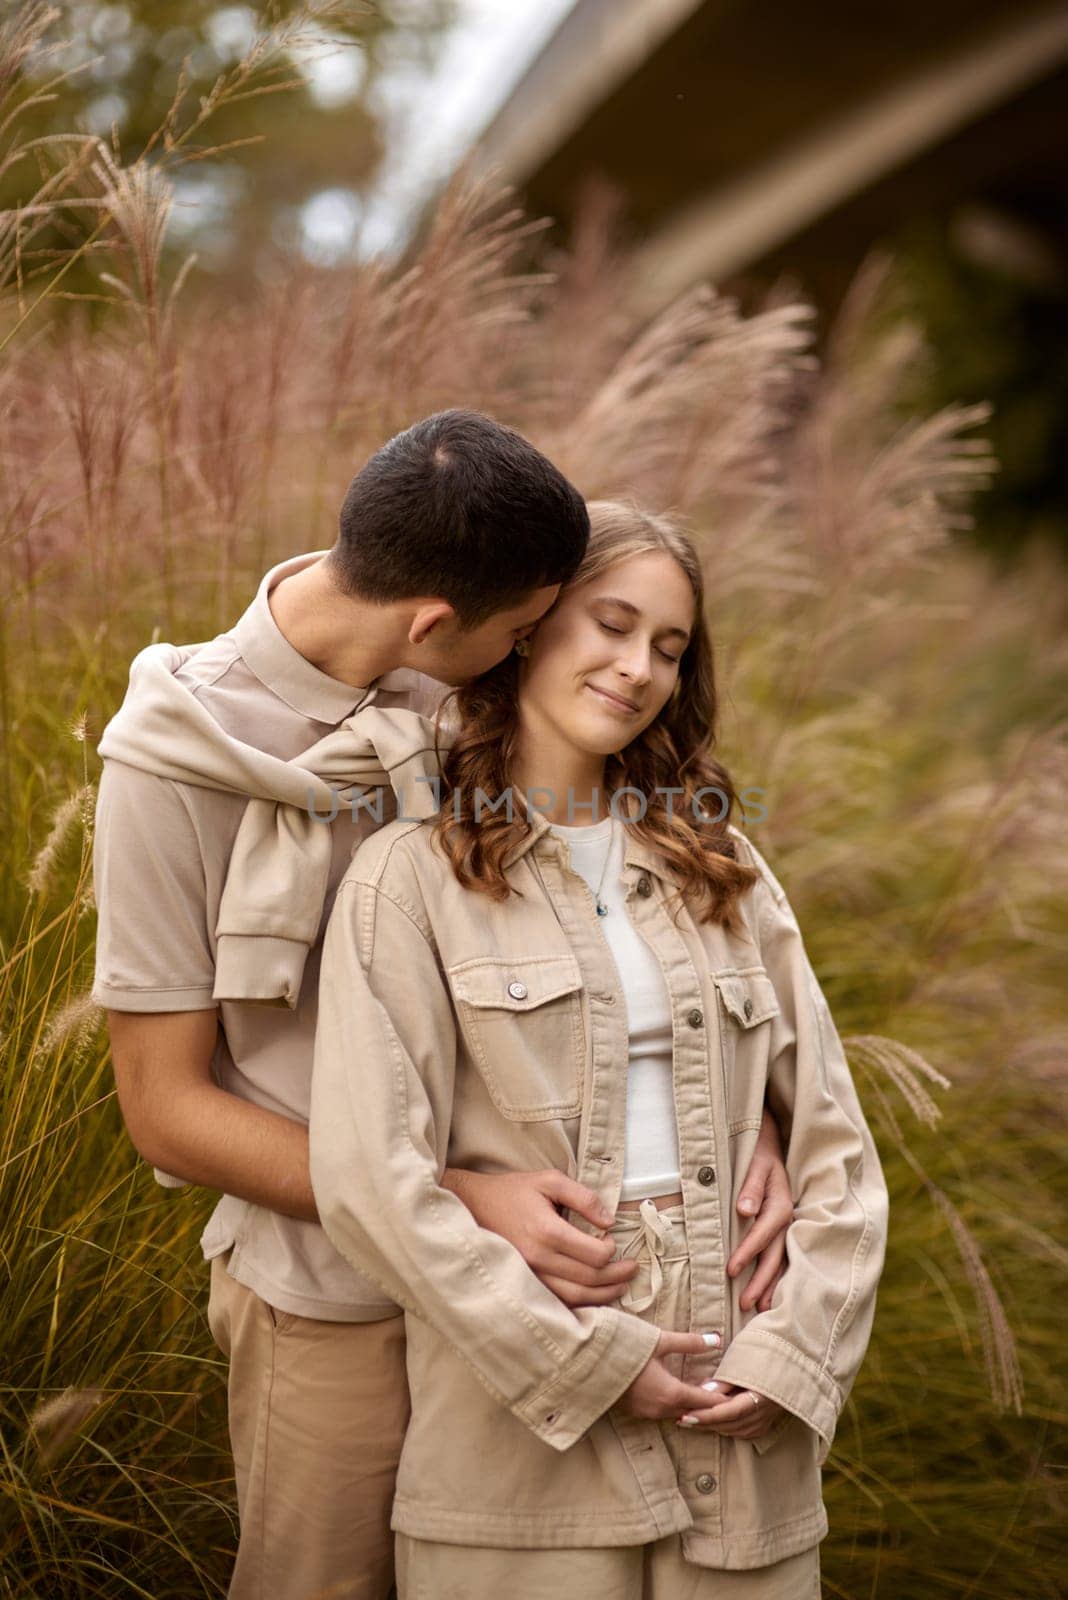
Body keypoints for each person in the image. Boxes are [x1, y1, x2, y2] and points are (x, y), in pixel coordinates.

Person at [90, 416, 795, 1600]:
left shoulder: (459, 675)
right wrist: (455, 1199)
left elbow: (652, 918)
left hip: (555, 1283)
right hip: (337, 1296)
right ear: (436, 622)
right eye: (528, 631)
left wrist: (744, 1119)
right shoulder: (171, 764)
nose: (542, 652)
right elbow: (164, 1110)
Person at [310, 499, 890, 1597]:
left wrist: (795, 1355)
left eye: (668, 648)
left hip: (742, 1418)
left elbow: (835, 1148)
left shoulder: (724, 870)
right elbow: (370, 1179)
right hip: (519, 1454)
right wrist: (587, 1363)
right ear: (529, 624)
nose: (638, 668)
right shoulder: (409, 882)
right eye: (611, 626)